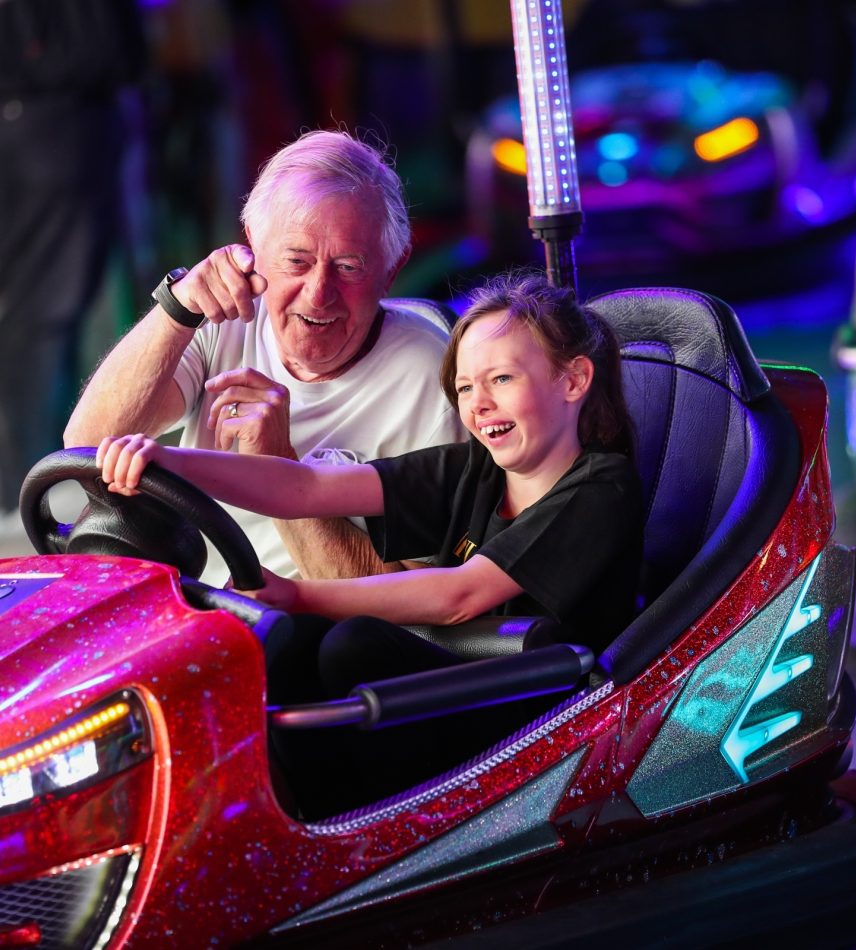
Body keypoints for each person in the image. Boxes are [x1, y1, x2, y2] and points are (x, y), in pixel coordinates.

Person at [96, 272, 642, 814]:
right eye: (466, 387)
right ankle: (283, 813)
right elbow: (303, 488)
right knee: (281, 640)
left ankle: (361, 825)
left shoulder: (601, 486)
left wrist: (301, 593)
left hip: (550, 710)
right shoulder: (475, 468)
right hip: (475, 682)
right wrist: (164, 460)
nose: (479, 404)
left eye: (501, 379)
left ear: (573, 381)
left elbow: (462, 596)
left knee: (355, 644)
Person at [65, 129, 465, 585]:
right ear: (253, 243)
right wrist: (176, 309)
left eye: (349, 267)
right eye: (297, 261)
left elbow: (407, 608)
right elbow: (86, 446)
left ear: (392, 269)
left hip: (314, 640)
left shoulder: (436, 381)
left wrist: (277, 466)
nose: (318, 295)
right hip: (197, 611)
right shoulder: (224, 317)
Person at [0, 0, 145, 526]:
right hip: (53, 118)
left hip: (53, 117)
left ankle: (31, 477)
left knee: (44, 309)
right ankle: (26, 482)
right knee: (42, 312)